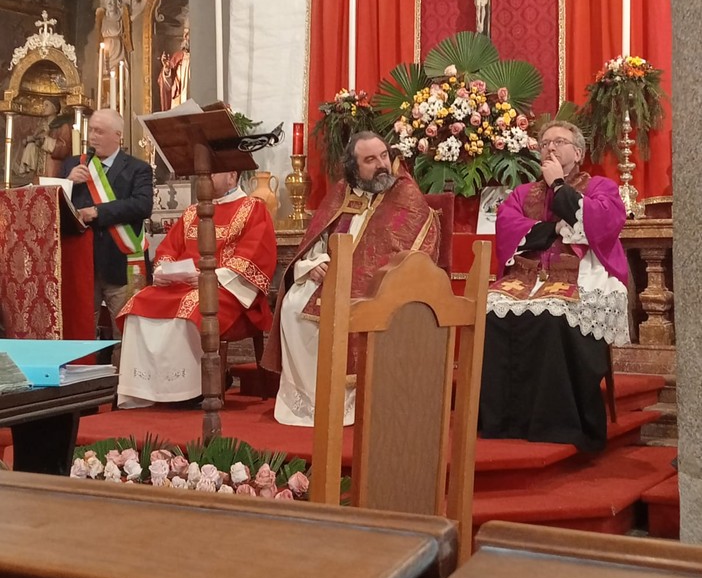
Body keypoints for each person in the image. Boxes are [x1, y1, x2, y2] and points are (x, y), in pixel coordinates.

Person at [263, 131, 439, 426]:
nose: (381, 164)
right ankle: (313, 402)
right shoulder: (343, 193)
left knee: (341, 313)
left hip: (382, 288)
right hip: (331, 278)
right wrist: (314, 264)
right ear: (354, 167)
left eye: (384, 155)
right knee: (294, 306)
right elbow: (316, 243)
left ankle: (352, 404)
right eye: (370, 160)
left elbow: (418, 248)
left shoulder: (406, 195)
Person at [478, 120, 630, 452]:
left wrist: (559, 186)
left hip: (582, 272)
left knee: (554, 317)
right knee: (488, 312)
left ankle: (558, 423)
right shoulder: (523, 193)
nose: (549, 148)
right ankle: (500, 421)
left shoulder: (601, 186)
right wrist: (556, 228)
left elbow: (602, 223)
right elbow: (508, 224)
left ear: (577, 152)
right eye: (544, 142)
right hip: (527, 273)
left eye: (558, 142)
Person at [116, 169, 277, 408]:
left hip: (225, 290)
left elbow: (256, 254)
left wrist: (210, 278)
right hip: (182, 284)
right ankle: (145, 389)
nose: (205, 178)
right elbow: (169, 248)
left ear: (232, 176)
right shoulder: (193, 212)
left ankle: (192, 391)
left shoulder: (253, 208)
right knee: (138, 303)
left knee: (195, 307)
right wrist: (164, 272)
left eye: (213, 173)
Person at [61, 108, 153, 337]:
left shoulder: (137, 168)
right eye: (91, 130)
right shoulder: (73, 165)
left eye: (99, 132)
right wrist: (67, 182)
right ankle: (85, 372)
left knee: (128, 333)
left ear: (117, 136)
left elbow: (142, 205)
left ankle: (124, 373)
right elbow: (55, 206)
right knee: (81, 332)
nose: (92, 136)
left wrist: (97, 212)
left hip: (120, 263)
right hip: (82, 262)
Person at [158, 21, 190, 110]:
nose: (185, 37)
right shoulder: (177, 57)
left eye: (188, 34)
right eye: (184, 33)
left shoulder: (202, 58)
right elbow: (167, 86)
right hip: (179, 106)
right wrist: (167, 69)